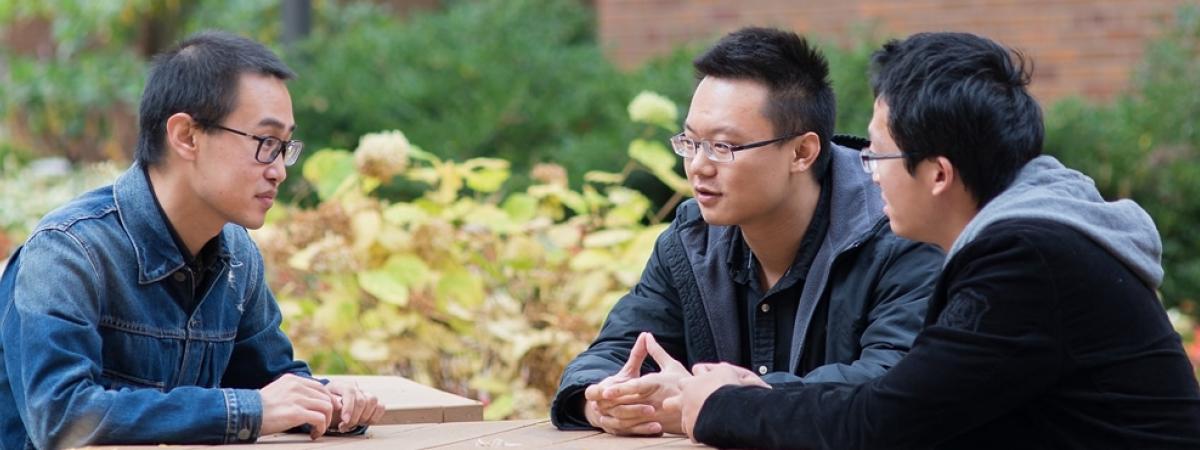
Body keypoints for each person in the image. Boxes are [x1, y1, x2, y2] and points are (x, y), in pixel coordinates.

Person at [669, 31, 1200, 449]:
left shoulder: (1025, 259)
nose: (868, 174)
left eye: (878, 155)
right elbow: (907, 402)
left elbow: (884, 424)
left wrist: (722, 405)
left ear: (939, 174)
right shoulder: (1032, 238)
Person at [0, 31, 386, 448]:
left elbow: (269, 381)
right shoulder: (68, 252)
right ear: (186, 136)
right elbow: (62, 417)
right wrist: (250, 411)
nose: (279, 171)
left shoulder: (237, 256)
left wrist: (329, 402)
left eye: (285, 146)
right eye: (265, 143)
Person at [550, 27, 943, 436]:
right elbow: (615, 351)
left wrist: (716, 403)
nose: (698, 166)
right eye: (690, 142)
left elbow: (889, 382)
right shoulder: (690, 240)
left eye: (723, 147)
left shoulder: (898, 234)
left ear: (801, 152)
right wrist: (602, 401)